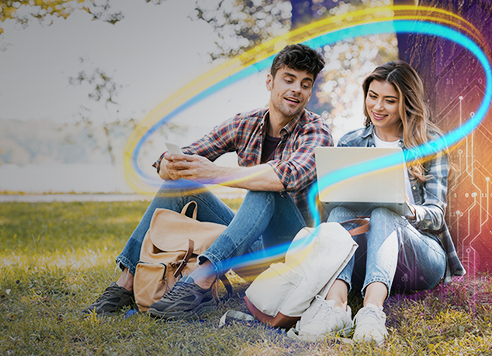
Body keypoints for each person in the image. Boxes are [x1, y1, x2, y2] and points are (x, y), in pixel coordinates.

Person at [83, 44, 333, 319]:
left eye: (305, 84)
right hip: (250, 250)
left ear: (310, 92)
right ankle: (126, 284)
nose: (297, 89)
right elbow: (182, 158)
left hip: (294, 253)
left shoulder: (315, 130)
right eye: (289, 79)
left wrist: (213, 173)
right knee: (180, 187)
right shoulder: (245, 124)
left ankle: (200, 281)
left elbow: (287, 176)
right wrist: (170, 164)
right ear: (270, 81)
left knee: (267, 186)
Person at [297, 60, 465, 346]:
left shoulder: (431, 142)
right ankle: (336, 307)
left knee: (385, 211)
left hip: (420, 257)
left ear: (406, 103)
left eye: (389, 100)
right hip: (365, 254)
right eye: (373, 96)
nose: (377, 106)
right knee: (340, 210)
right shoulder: (351, 141)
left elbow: (437, 215)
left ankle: (372, 311)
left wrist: (406, 209)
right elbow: (329, 212)